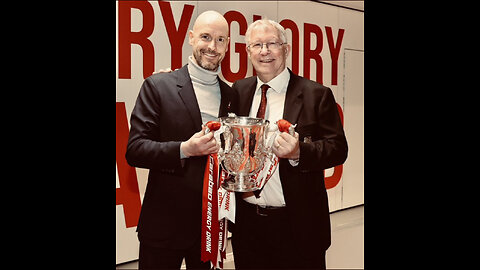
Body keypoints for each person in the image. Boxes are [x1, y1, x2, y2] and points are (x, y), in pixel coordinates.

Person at [230, 19, 348, 269]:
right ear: (248, 51)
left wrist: (298, 152)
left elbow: (338, 148)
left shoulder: (316, 94)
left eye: (272, 43)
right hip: (247, 227)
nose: (265, 51)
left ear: (286, 49)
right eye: (257, 45)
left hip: (298, 225)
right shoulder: (238, 91)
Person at [125, 10, 238, 269]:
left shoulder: (233, 96)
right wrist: (185, 149)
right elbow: (135, 150)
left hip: (210, 230)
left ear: (228, 45)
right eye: (206, 37)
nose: (213, 46)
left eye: (221, 40)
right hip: (164, 227)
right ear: (190, 38)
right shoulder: (159, 86)